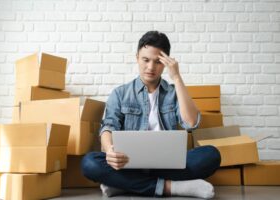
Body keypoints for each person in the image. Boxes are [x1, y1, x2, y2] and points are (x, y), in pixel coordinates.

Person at [81, 31, 221, 199]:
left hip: (166, 164)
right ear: (137, 57)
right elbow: (108, 126)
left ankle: (124, 185)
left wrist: (176, 77)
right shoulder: (120, 93)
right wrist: (110, 150)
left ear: (166, 63)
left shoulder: (173, 93)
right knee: (89, 163)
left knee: (211, 155)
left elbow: (191, 123)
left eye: (158, 62)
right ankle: (170, 187)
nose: (150, 67)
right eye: (145, 60)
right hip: (128, 164)